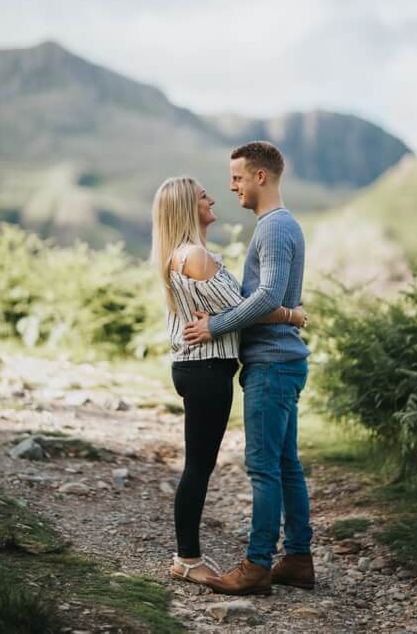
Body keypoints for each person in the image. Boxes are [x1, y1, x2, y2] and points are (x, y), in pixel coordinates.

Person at [149, 175, 308, 588]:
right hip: (205, 370)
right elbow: (250, 308)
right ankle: (187, 559)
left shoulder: (191, 254)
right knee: (199, 466)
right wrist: (292, 314)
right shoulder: (196, 258)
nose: (214, 199)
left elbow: (239, 309)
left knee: (200, 465)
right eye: (204, 196)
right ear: (188, 207)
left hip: (202, 369)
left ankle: (195, 555)